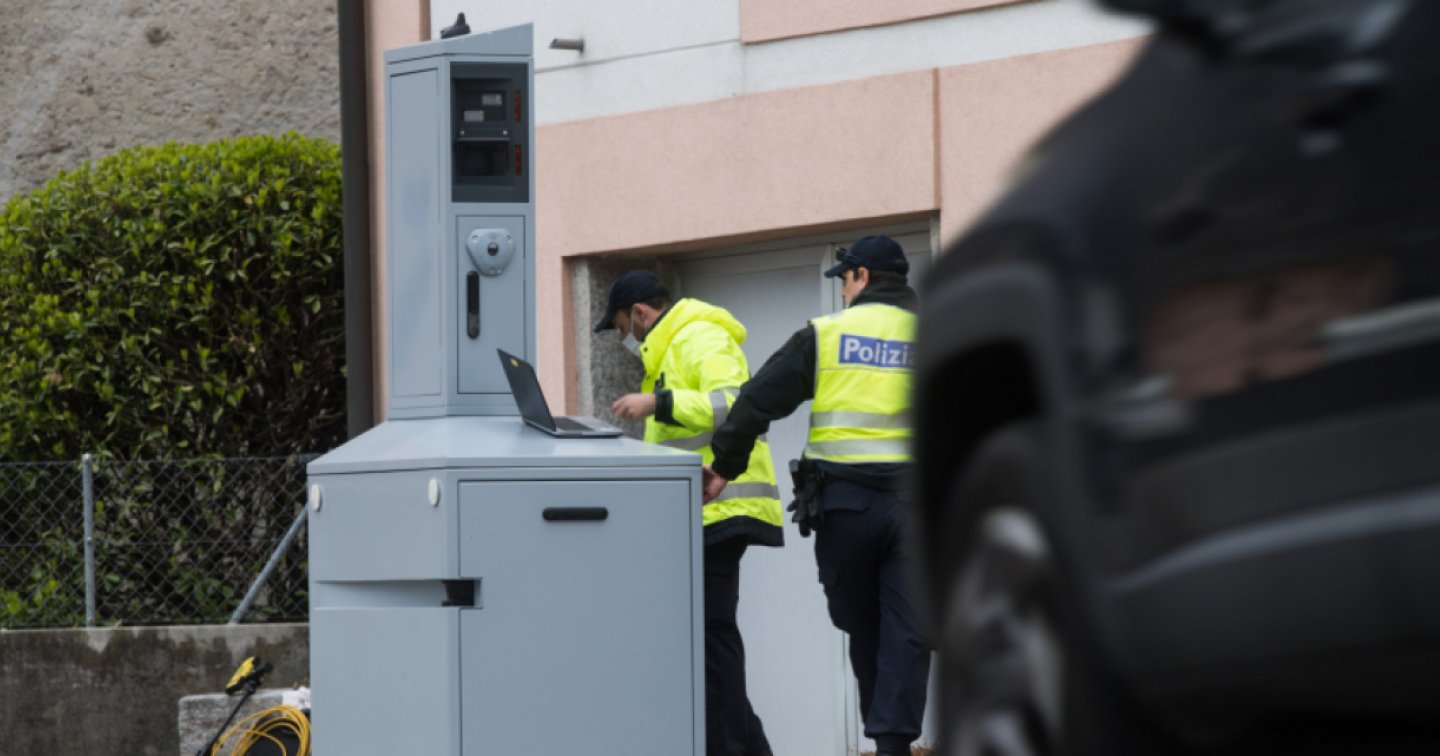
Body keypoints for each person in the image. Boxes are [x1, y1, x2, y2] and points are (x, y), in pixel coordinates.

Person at [701, 235, 929, 756]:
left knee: (862, 624)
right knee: (908, 630)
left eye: (844, 280)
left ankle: (887, 743)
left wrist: (725, 467)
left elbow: (755, 401)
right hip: (918, 507)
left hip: (845, 506)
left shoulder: (826, 334)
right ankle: (892, 742)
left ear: (862, 277)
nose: (843, 292)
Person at [594, 269, 784, 756]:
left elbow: (737, 403)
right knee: (707, 641)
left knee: (713, 641)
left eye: (621, 326)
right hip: (700, 514)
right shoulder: (668, 350)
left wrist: (659, 403)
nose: (624, 338)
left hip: (721, 508)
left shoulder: (698, 336)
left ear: (640, 313)